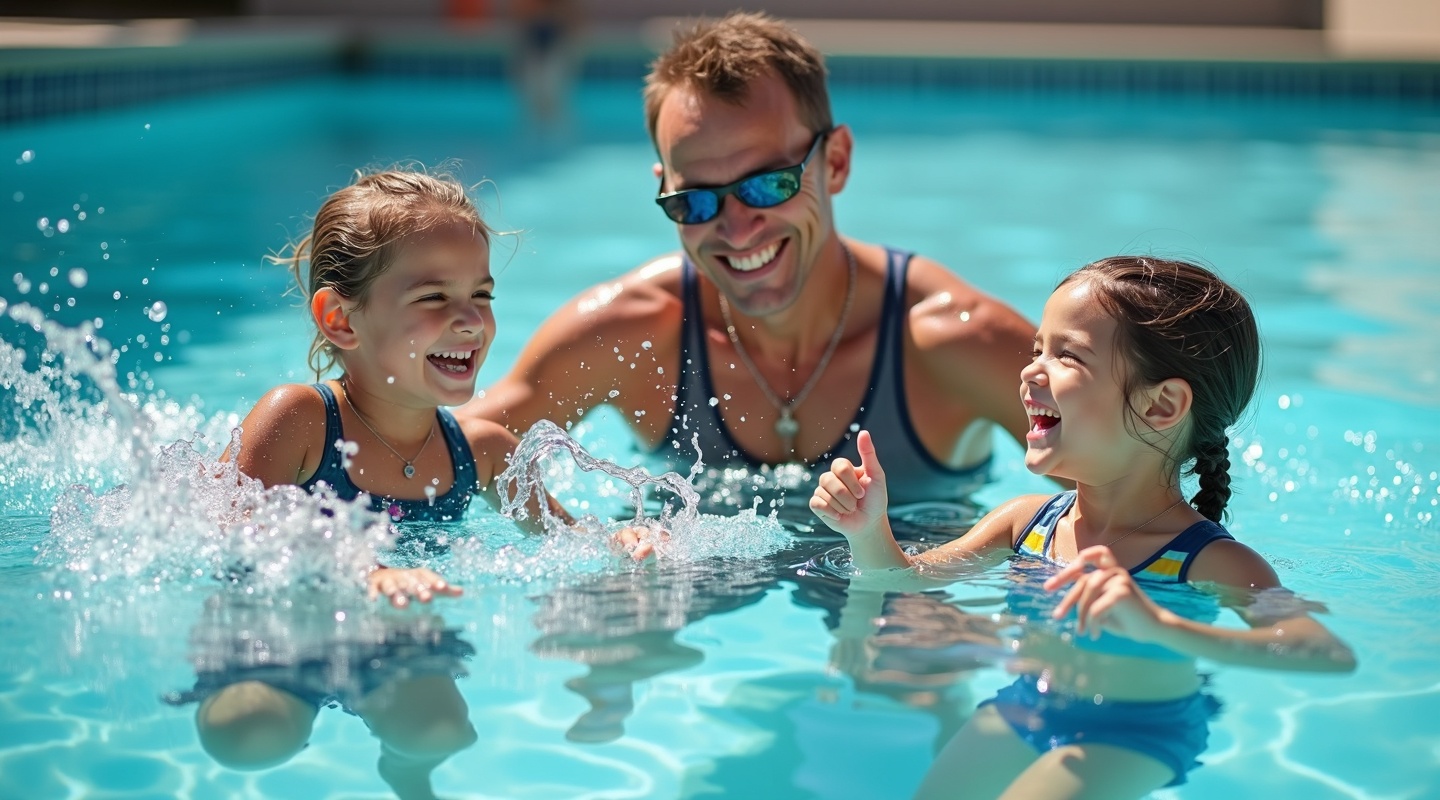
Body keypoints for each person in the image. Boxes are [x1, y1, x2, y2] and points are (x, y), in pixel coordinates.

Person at [810, 256, 1356, 797]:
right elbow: (904, 579)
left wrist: (1161, 626)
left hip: (1137, 733)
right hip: (1030, 705)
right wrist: (867, 529)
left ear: (1161, 405)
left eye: (1067, 355)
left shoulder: (1208, 560)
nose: (1030, 370)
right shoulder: (1025, 523)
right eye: (1036, 349)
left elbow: (1325, 653)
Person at [459, 12, 1036, 514]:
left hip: (913, 579)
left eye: (770, 185)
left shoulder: (951, 342)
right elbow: (446, 452)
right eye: (697, 199)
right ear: (664, 188)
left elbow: (1122, 493)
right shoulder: (632, 333)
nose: (737, 228)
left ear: (834, 162)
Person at [223, 168, 648, 605]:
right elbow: (234, 535)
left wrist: (623, 543)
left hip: (417, 635)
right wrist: (359, 570)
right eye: (433, 297)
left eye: (482, 296)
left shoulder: (482, 453)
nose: (471, 322)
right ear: (340, 318)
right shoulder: (299, 421)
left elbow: (571, 540)